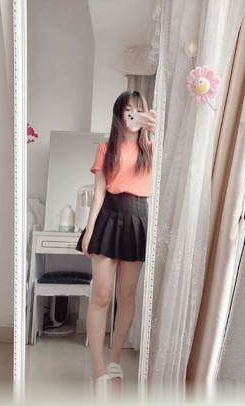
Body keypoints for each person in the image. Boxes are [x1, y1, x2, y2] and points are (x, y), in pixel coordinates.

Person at [75, 90, 156, 390]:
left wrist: (155, 127)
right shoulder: (105, 148)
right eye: (128, 109)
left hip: (137, 218)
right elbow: (98, 193)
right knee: (102, 294)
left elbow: (179, 159)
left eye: (139, 109)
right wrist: (89, 231)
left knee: (127, 296)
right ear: (119, 114)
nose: (133, 113)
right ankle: (97, 367)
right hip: (108, 217)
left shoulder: (153, 150)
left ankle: (115, 359)